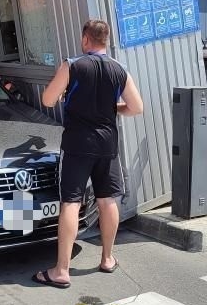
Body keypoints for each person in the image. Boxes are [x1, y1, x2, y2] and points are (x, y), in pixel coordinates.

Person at [32, 19, 143, 288]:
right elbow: (137, 107)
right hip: (107, 145)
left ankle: (61, 270)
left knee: (70, 202)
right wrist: (114, 108)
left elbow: (47, 100)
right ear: (106, 40)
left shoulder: (72, 65)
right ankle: (107, 258)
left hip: (77, 144)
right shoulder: (119, 69)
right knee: (107, 200)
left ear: (85, 39)